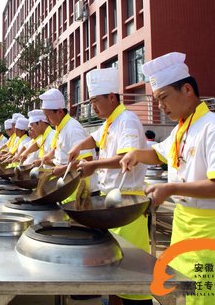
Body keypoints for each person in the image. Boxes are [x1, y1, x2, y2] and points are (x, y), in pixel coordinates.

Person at [121, 52, 215, 305]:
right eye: (156, 101)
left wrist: (171, 188)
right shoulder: (183, 128)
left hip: (213, 236)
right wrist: (136, 153)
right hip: (184, 232)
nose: (161, 106)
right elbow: (159, 154)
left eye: (164, 97)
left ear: (187, 89)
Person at [67, 67, 151, 305]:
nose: (93, 107)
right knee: (115, 269)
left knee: (133, 273)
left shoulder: (127, 121)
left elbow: (125, 158)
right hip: (112, 201)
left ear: (112, 97)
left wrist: (94, 165)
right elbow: (94, 137)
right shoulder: (110, 122)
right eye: (91, 101)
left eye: (96, 101)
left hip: (128, 202)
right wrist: (78, 148)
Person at [36, 88, 94, 202]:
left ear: (60, 112)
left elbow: (87, 160)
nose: (47, 120)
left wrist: (62, 169)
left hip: (78, 188)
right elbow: (61, 148)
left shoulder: (73, 129)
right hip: (67, 186)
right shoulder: (60, 128)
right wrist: (50, 155)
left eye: (48, 116)